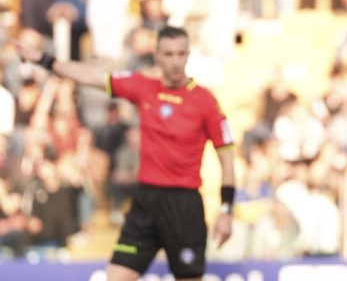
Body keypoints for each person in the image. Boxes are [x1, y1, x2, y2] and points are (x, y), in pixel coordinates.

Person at [16, 26, 235, 281]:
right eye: (168, 54)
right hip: (146, 203)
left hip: (183, 204)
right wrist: (45, 60)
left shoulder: (205, 101)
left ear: (188, 55)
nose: (175, 62)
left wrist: (226, 210)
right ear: (157, 56)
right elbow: (92, 76)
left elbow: (227, 158)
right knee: (116, 275)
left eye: (180, 54)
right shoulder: (145, 87)